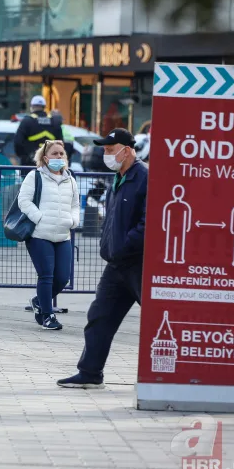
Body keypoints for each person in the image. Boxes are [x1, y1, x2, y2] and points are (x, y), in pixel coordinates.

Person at [57, 128, 147, 389]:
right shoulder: (118, 178)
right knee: (99, 316)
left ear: (127, 150)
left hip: (139, 263)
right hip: (116, 264)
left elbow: (149, 222)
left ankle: (171, 375)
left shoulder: (144, 177)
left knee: (158, 320)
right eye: (105, 150)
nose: (106, 154)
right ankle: (90, 373)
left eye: (110, 150)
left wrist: (125, 244)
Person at [18, 140, 79, 331]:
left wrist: (73, 221)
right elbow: (24, 201)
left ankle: (39, 301)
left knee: (62, 278)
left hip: (63, 235)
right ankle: (47, 315)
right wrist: (39, 218)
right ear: (45, 158)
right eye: (55, 154)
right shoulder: (34, 176)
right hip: (40, 235)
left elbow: (75, 205)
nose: (59, 157)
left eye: (62, 154)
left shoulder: (70, 179)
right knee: (46, 276)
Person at [14, 95, 64, 166]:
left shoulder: (27, 121)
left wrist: (24, 156)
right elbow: (61, 143)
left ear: (32, 107)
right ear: (44, 107)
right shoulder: (55, 122)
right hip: (50, 164)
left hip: (30, 164)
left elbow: (18, 142)